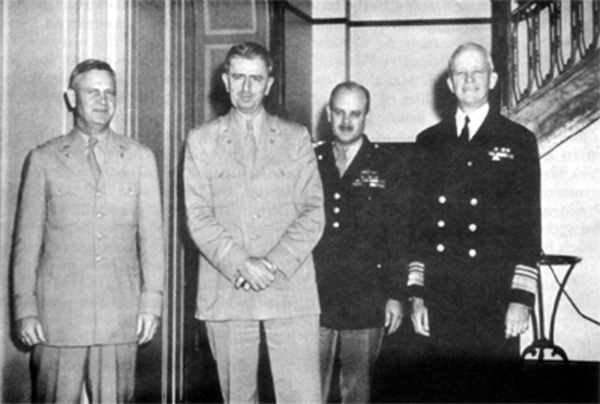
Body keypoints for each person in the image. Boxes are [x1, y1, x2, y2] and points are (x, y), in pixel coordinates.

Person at [12, 59, 165, 402]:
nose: (102, 100)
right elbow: (26, 245)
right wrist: (26, 310)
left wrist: (151, 304)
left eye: (110, 92)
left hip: (120, 315)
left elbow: (153, 241)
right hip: (57, 317)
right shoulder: (44, 159)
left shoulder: (140, 159)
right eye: (92, 91)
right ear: (71, 97)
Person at [183, 42, 325, 403]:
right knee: (237, 397)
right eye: (239, 77)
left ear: (269, 83)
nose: (247, 88)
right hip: (228, 287)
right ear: (226, 80)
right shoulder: (201, 141)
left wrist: (272, 263)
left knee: (301, 397)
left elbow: (313, 212)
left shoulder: (296, 138)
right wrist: (241, 263)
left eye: (256, 79)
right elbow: (198, 216)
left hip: (289, 288)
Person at [407, 42, 541, 400]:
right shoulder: (428, 142)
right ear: (449, 84)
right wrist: (417, 294)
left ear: (492, 78)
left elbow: (529, 224)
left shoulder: (518, 141)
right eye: (460, 73)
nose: (469, 80)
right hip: (441, 294)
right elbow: (418, 226)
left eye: (476, 71)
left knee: (493, 391)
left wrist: (521, 297)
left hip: (493, 296)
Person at [313, 82, 407, 403]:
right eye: (339, 112)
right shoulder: (310, 160)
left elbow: (397, 235)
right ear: (328, 114)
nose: (346, 121)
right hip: (314, 296)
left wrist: (395, 293)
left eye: (355, 113)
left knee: (357, 391)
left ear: (367, 117)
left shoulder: (387, 165)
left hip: (366, 297)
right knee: (309, 390)